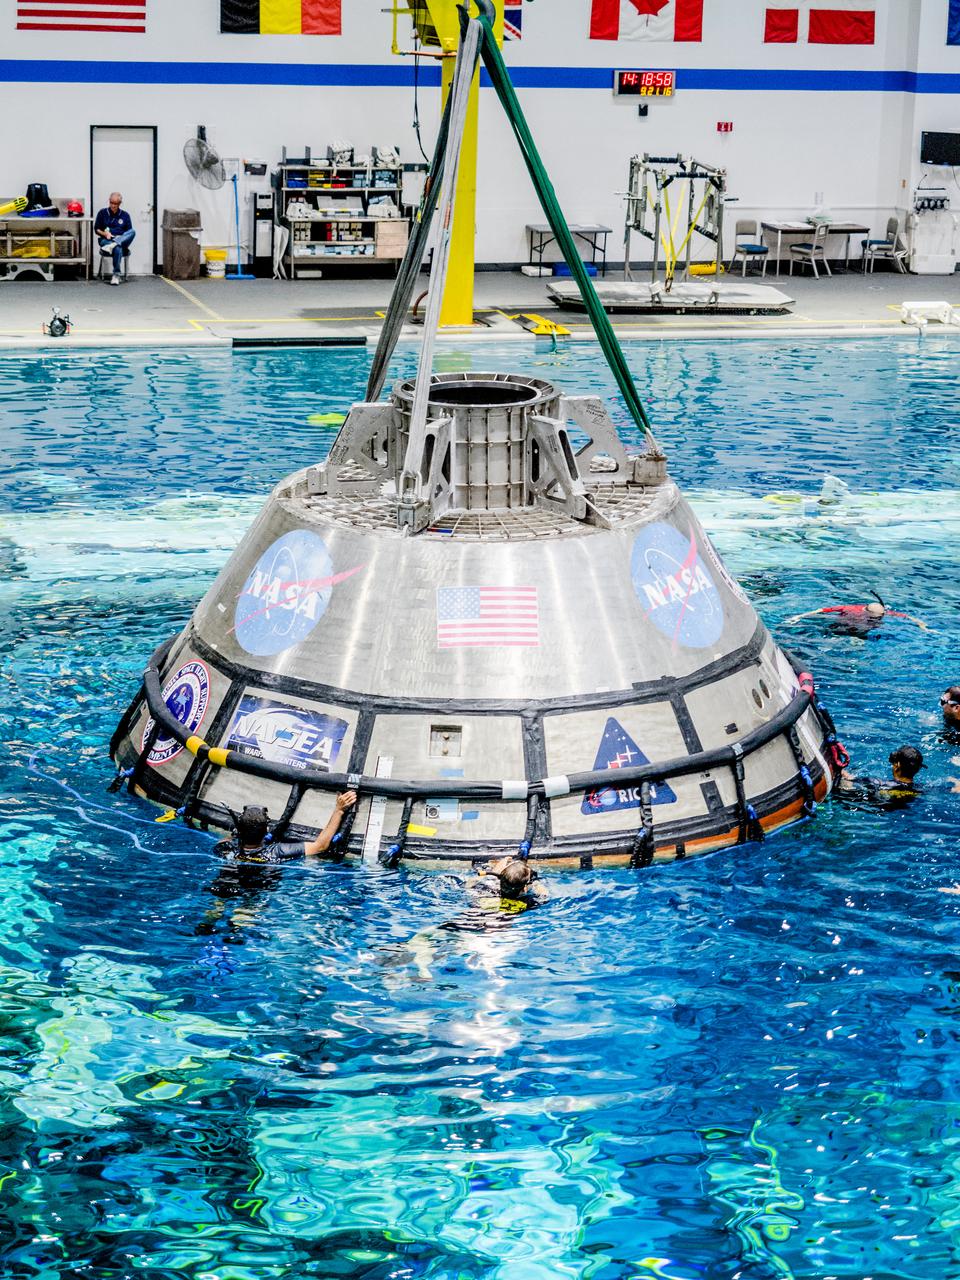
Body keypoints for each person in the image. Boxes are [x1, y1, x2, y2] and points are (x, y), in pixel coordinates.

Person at [214, 792, 357, 864]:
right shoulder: (277, 851)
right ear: (266, 830)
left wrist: (238, 834)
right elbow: (320, 846)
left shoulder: (225, 846)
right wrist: (339, 810)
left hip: (229, 875)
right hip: (260, 884)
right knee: (247, 910)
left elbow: (229, 840)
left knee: (218, 903)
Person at [785, 593, 930, 638]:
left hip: (859, 630)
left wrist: (923, 626)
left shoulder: (880, 612)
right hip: (842, 626)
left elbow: (908, 617)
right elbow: (820, 610)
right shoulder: (849, 608)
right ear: (866, 612)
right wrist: (799, 616)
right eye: (876, 618)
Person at [838, 745, 926, 807]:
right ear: (918, 769)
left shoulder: (877, 783)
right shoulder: (921, 790)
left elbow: (848, 779)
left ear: (897, 765)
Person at [94, 191, 135, 285]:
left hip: (121, 239)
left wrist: (120, 238)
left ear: (120, 203)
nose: (113, 205)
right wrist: (105, 234)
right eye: (111, 203)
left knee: (133, 232)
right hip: (106, 241)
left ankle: (117, 242)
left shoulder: (125, 215)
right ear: (109, 201)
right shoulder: (102, 213)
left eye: (115, 204)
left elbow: (129, 232)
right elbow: (96, 229)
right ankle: (116, 275)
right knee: (117, 248)